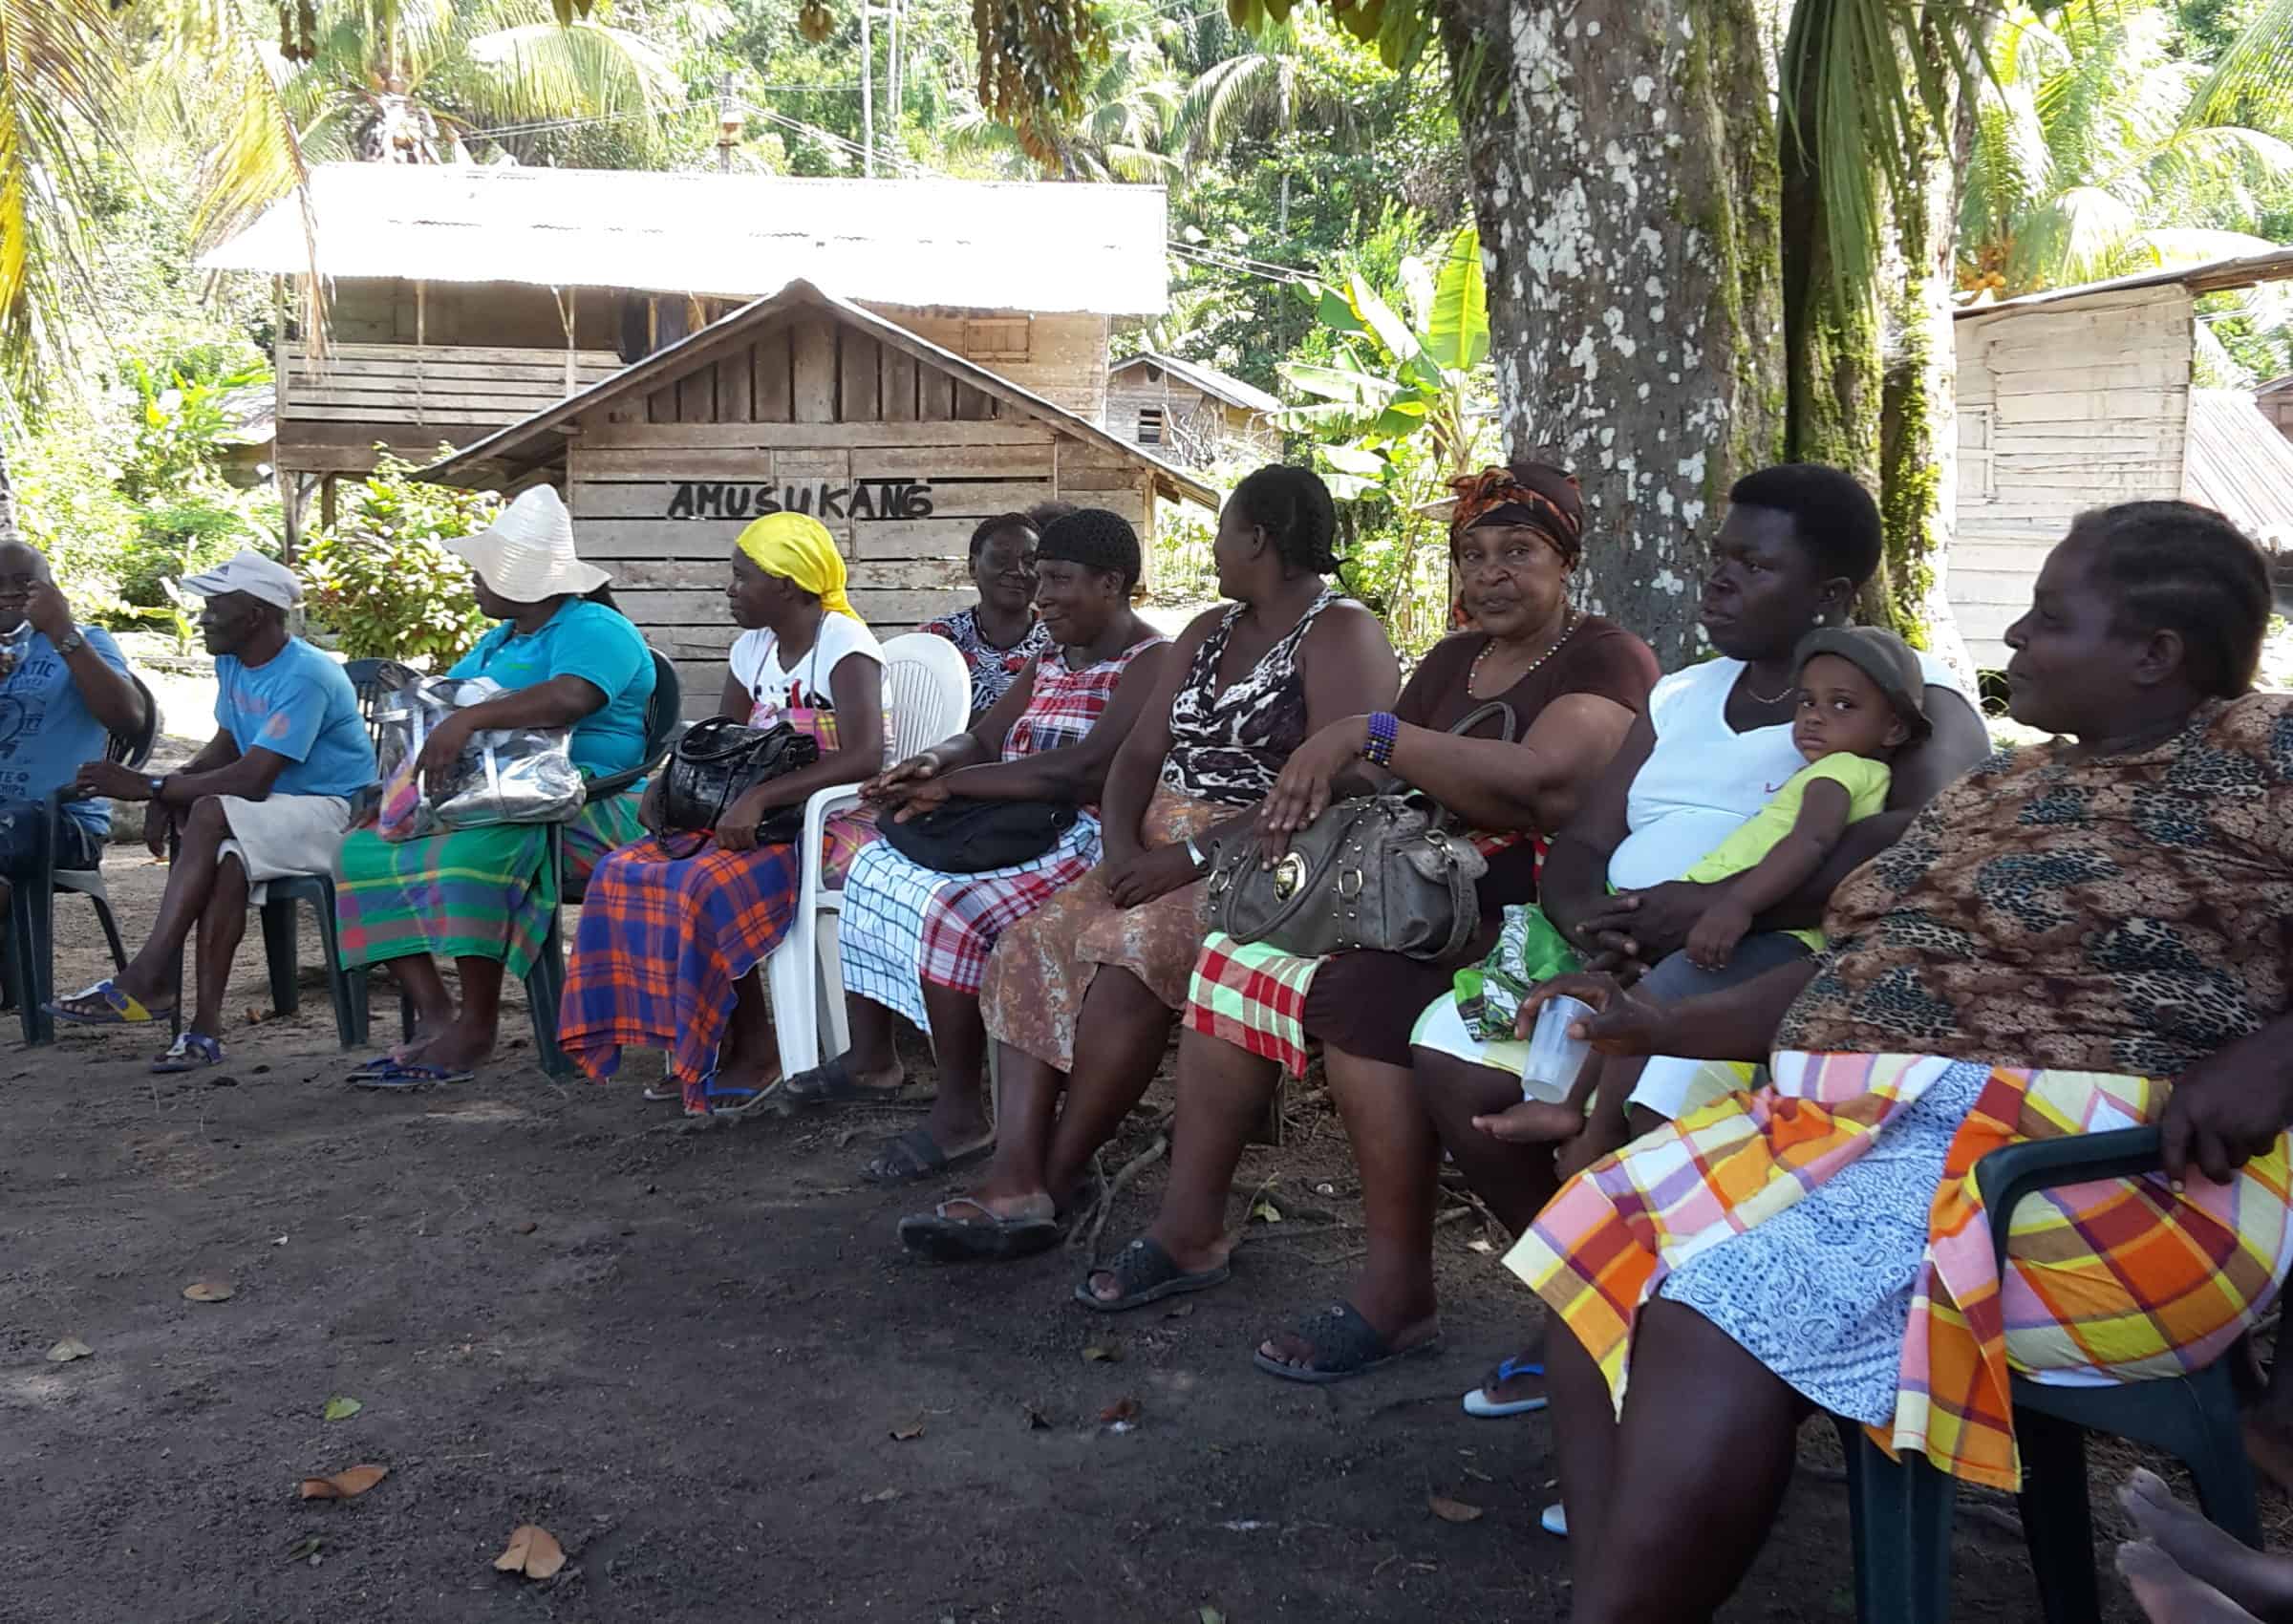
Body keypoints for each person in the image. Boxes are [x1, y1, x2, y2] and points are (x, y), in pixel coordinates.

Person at [1509, 502, 2293, 1621]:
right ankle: (1616, 1593)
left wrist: (2277, 1055)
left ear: (2155, 655)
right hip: (1874, 1136)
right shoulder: (2003, 786)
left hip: (2101, 1175)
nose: (2014, 637)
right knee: (1598, 1247)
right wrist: (1654, 1024)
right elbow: (1869, 966)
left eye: (2050, 618)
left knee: (1710, 1304)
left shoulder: (2263, 749)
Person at [1408, 462, 1991, 1419]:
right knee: (1452, 1046)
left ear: (1831, 593)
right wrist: (1597, 922)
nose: (1716, 582)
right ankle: (1588, 1296)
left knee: (1662, 1083)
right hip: (1618, 952)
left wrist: (1718, 911)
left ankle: (1658, 1357)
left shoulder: (1905, 697)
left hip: (1756, 970)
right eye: (1719, 559)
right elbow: (1587, 840)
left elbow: (1923, 845)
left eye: (1752, 567)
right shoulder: (1682, 693)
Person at [1077, 463, 1661, 1381]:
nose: (1492, 573)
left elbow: (1551, 783)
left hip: (1532, 914)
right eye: (1473, 555)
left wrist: (1367, 736)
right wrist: (1317, 776)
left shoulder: (1603, 655)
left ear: (1567, 563)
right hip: (1419, 894)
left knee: (1360, 995)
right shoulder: (1453, 661)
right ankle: (1189, 1228)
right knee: (1235, 952)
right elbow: (1385, 777)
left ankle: (1399, 1296)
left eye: (1520, 553)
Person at [897, 463, 1399, 1261]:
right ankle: (1014, 1172)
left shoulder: (1343, 632)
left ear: (1258, 539)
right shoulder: (1208, 631)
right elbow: (1136, 755)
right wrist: (1127, 845)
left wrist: (1193, 857)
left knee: (1129, 956)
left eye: (1224, 531)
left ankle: (1057, 1179)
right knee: (1032, 940)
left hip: (1268, 849)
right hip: (1157, 840)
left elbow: (1355, 777)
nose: (1216, 549)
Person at [777, 509, 1170, 1182]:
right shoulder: (1053, 651)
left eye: (1058, 580)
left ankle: (961, 1115)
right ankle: (875, 1058)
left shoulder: (1150, 659)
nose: (1040, 595)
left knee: (958, 915)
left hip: (1080, 832)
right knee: (870, 863)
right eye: (1039, 579)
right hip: (1009, 819)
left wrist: (960, 790)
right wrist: (933, 762)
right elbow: (984, 737)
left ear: (1112, 583)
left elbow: (1083, 769)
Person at [1467, 623, 1927, 1137]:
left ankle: (1590, 1137)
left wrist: (1734, 906)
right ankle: (1570, 1104)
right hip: (1724, 916)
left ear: (1893, 731)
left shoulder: (1840, 772)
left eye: (1843, 705)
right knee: (1637, 993)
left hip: (1760, 931)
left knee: (1648, 1004)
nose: (1815, 717)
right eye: (1807, 702)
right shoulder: (1834, 770)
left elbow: (1810, 845)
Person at [556, 511, 889, 1114]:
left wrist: (764, 796)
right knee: (625, 872)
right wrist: (669, 782)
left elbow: (867, 756)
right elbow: (725, 740)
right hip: (754, 813)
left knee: (701, 883)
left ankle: (756, 1048)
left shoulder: (844, 643)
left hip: (832, 819)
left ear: (786, 585)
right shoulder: (752, 647)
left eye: (742, 578)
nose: (730, 590)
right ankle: (699, 1040)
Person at [332, 486, 657, 1086]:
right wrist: (396, 789)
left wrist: (471, 719)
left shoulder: (595, 627)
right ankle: (437, 1013)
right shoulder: (500, 640)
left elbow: (572, 697)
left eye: (484, 570)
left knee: (467, 855)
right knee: (362, 849)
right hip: (491, 798)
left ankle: (478, 1025)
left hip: (587, 802)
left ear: (526, 578)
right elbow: (440, 707)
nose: (472, 580)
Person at [50, 549, 373, 1073]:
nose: (201, 618)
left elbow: (250, 777)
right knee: (224, 862)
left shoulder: (306, 676)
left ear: (255, 616)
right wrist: (164, 792)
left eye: (213, 609)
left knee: (208, 812)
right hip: (272, 813)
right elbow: (226, 744)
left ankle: (149, 974)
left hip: (334, 813)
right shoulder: (234, 660)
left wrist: (153, 786)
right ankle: (203, 1032)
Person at [0, 540, 150, 896]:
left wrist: (62, 633)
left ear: (52, 590)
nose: (8, 592)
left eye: (23, 582)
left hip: (61, 822)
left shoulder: (88, 641)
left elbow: (129, 719)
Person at [919, 514, 1055, 720]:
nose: (1017, 571)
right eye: (1001, 560)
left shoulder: (1059, 642)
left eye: (1029, 562)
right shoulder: (937, 639)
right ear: (973, 566)